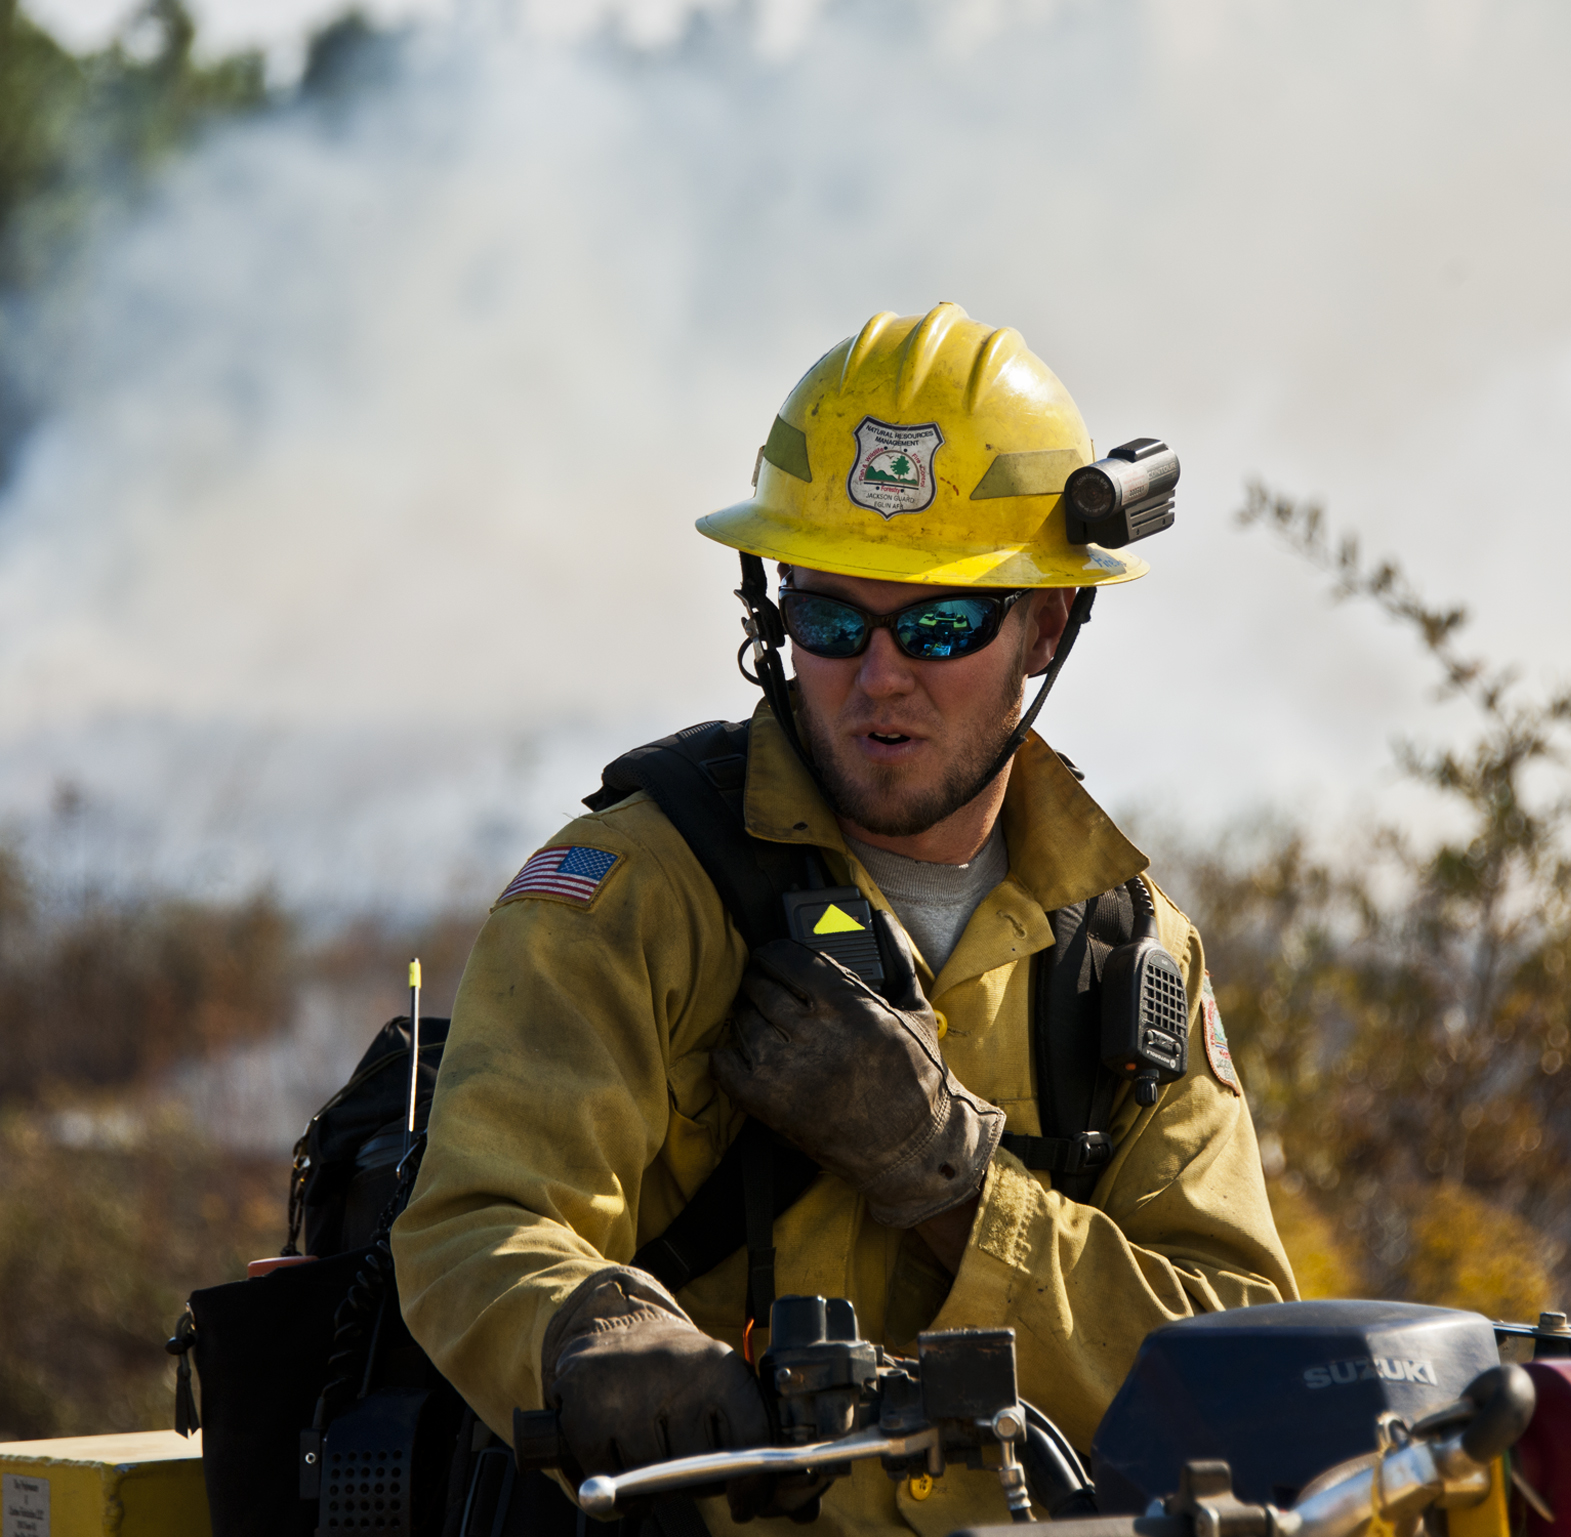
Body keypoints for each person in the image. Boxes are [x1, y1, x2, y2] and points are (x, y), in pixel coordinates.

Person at [392, 303, 1296, 1537]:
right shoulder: (640, 891)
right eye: (830, 620)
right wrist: (597, 1328)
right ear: (774, 617)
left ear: (1047, 624)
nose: (878, 676)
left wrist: (958, 1188)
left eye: (936, 623)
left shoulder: (1125, 951)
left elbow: (1241, 1360)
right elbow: (478, 1219)